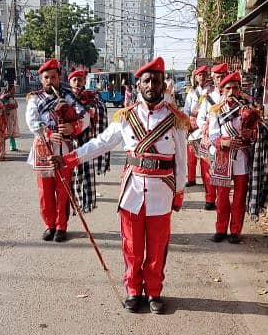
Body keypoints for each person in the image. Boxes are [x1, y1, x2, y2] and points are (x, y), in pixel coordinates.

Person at [50, 57, 189, 314]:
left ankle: (155, 291)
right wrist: (68, 159)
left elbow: (181, 160)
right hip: (133, 193)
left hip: (161, 193)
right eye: (146, 80)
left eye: (155, 80)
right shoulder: (126, 117)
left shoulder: (176, 120)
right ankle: (133, 290)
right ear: (138, 85)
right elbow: (100, 143)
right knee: (132, 247)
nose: (151, 85)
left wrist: (178, 194)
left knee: (157, 247)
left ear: (163, 84)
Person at [26, 59, 90, 242]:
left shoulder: (69, 96)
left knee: (63, 191)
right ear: (41, 79)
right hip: (43, 150)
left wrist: (73, 127)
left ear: (58, 78)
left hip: (64, 149)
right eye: (46, 77)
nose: (49, 81)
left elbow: (85, 117)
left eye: (53, 77)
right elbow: (32, 122)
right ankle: (50, 225)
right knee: (45, 192)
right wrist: (47, 133)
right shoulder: (34, 98)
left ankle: (62, 226)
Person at [209, 71, 259, 243]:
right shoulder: (216, 109)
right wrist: (225, 143)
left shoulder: (248, 109)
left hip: (242, 159)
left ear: (240, 90)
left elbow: (255, 135)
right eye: (228, 88)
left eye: (235, 88)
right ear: (222, 90)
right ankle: (220, 229)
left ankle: (235, 230)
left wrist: (250, 134)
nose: (232, 91)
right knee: (222, 196)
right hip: (223, 157)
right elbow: (213, 135)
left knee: (239, 196)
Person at [196, 63, 229, 210]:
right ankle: (210, 199)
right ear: (213, 79)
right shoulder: (208, 98)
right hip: (209, 139)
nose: (220, 80)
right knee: (207, 170)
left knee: (222, 173)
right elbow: (200, 118)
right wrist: (204, 125)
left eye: (222, 77)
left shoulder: (232, 96)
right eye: (217, 77)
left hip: (226, 141)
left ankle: (221, 201)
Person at [68, 68, 97, 213]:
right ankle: (75, 204)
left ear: (85, 81)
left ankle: (87, 202)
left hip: (86, 138)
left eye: (80, 80)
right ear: (70, 82)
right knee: (73, 172)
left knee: (87, 171)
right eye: (75, 80)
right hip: (70, 140)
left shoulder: (90, 97)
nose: (78, 82)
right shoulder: (65, 97)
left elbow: (92, 115)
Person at [184, 65, 211, 187]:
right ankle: (191, 179)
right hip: (193, 128)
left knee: (205, 158)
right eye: (200, 75)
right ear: (195, 77)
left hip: (205, 128)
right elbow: (186, 109)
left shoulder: (211, 91)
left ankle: (207, 180)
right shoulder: (191, 92)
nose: (202, 77)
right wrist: (187, 124)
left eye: (204, 75)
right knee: (191, 156)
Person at [0, 84, 20, 151]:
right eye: (13, 89)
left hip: (13, 116)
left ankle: (13, 146)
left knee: (12, 131)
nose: (14, 90)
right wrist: (12, 106)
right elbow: (4, 106)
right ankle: (2, 146)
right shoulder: (5, 96)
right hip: (8, 116)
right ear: (9, 89)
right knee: (7, 132)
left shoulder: (12, 96)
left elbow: (16, 105)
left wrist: (14, 105)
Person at [0, 87, 7, 161]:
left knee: (1, 138)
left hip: (1, 121)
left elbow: (4, 112)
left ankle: (1, 154)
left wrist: (5, 121)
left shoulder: (1, 101)